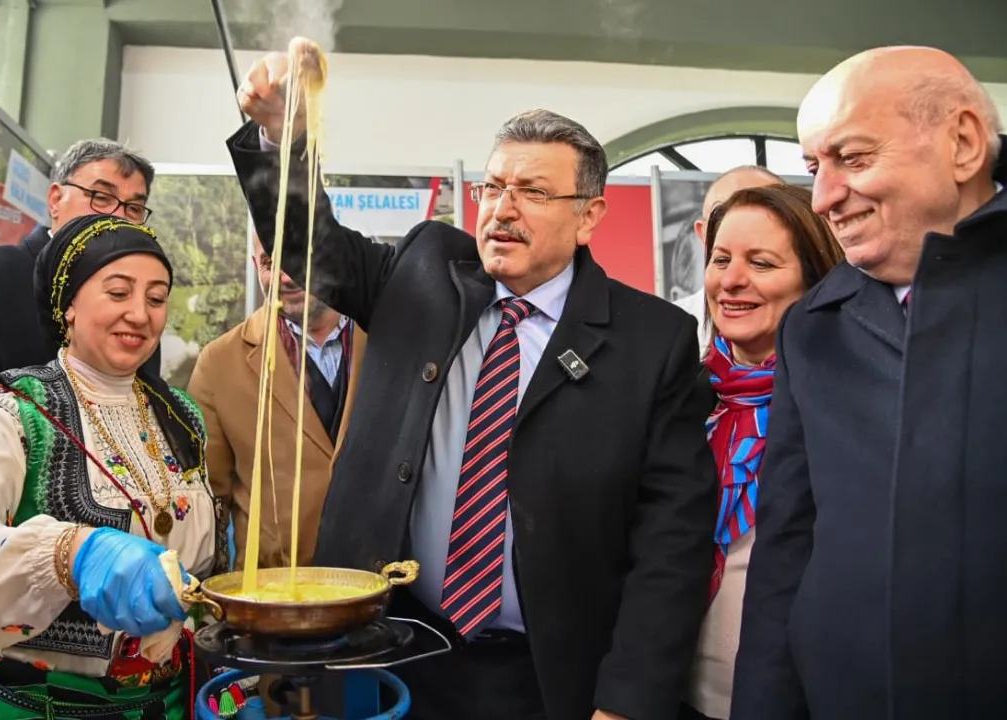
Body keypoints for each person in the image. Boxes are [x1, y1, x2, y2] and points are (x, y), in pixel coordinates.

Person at [230, 42, 718, 720]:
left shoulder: (651, 343)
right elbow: (313, 248)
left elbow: (671, 544)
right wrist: (285, 141)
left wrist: (627, 701)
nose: (501, 208)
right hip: (394, 650)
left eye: (533, 192)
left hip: (551, 679)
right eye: (493, 187)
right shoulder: (427, 274)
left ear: (590, 217)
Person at [732, 46, 1007, 718]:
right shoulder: (813, 328)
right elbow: (787, 552)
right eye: (813, 169)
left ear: (965, 144)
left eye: (853, 159)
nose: (824, 197)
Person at [0, 214, 227, 719]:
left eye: (156, 297)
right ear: (70, 305)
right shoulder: (9, 413)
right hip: (37, 704)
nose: (140, 314)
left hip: (166, 702)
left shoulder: (181, 416)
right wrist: (71, 553)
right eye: (118, 292)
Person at [0, 139, 159, 667]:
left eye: (134, 206)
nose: (118, 215)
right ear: (55, 198)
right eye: (102, 196)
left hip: (118, 626)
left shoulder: (139, 309)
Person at [681, 185, 843, 720]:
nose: (731, 280)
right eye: (721, 259)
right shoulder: (678, 396)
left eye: (762, 263)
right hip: (670, 695)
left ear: (814, 278)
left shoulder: (845, 411)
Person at [188, 234, 365, 570]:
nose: (286, 276)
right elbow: (208, 501)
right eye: (270, 262)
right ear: (256, 266)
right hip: (271, 601)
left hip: (384, 592)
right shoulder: (219, 364)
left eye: (299, 255)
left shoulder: (391, 343)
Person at [672, 166, 784, 355]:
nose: (731, 280)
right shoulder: (668, 330)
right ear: (702, 233)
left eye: (761, 212)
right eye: (721, 215)